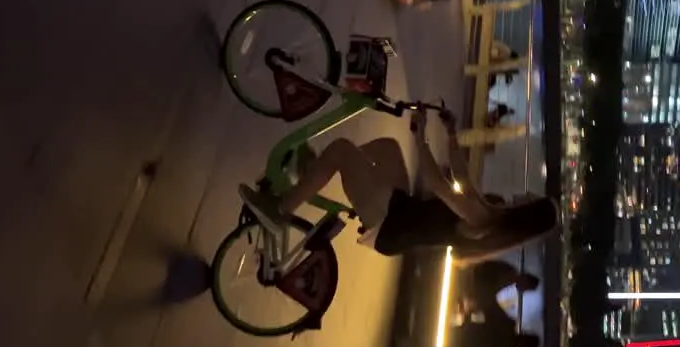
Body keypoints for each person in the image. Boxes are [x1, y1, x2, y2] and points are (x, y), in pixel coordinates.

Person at [239, 109, 559, 264]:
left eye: (533, 197)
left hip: (390, 225)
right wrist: (450, 133)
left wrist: (421, 138)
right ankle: (317, 172)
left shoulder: (484, 218)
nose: (529, 192)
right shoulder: (490, 209)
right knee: (388, 148)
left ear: (527, 209)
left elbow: (438, 183)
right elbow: (461, 178)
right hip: (402, 210)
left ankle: (279, 211)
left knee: (341, 150)